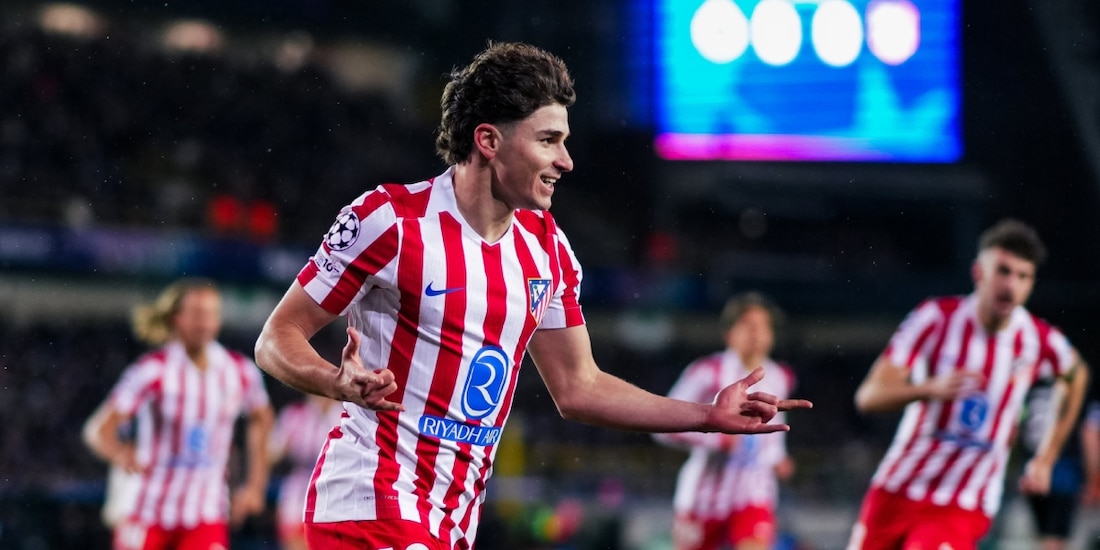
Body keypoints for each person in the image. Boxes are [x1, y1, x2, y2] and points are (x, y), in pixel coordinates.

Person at [253, 41, 813, 550]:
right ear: (488, 141)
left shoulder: (548, 250)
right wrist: (334, 381)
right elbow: (277, 337)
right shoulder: (390, 221)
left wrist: (706, 415)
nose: (565, 161)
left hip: (451, 519)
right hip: (369, 498)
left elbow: (580, 386)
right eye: (548, 140)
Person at [846, 218, 1091, 550]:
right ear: (979, 272)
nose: (1011, 285)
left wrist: (1046, 458)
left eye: (1023, 276)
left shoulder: (1037, 339)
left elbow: (1076, 374)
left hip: (963, 503)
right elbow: (868, 397)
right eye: (1003, 271)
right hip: (896, 489)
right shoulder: (935, 318)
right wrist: (927, 389)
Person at [83, 278, 276, 550]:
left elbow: (262, 418)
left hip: (205, 513)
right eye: (197, 314)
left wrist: (255, 486)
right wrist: (119, 453)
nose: (205, 323)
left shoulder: (239, 371)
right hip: (148, 509)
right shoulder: (152, 370)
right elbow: (98, 430)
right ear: (177, 318)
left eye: (211, 314)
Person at [654, 292, 797, 550]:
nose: (757, 333)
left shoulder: (780, 377)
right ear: (729, 334)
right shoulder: (706, 372)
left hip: (754, 495)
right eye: (749, 326)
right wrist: (717, 440)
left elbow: (773, 434)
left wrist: (778, 458)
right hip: (703, 497)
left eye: (763, 326)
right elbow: (662, 425)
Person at [1019, 378, 1100, 550]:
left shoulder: (1035, 382)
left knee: (1044, 537)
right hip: (1063, 471)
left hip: (1032, 468)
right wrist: (1092, 478)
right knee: (1055, 540)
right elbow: (1089, 432)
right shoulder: (1079, 386)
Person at [267, 394, 345, 550]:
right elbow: (270, 454)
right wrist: (282, 448)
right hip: (299, 485)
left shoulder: (345, 415)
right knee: (295, 538)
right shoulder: (294, 414)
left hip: (335, 485)